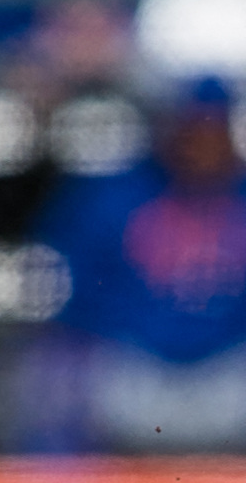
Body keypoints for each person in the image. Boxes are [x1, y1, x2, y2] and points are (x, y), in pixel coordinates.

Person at [13, 79, 246, 452]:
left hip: (231, 372)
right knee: (54, 362)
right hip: (130, 369)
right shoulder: (111, 196)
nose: (203, 142)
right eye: (193, 128)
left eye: (214, 129)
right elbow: (68, 298)